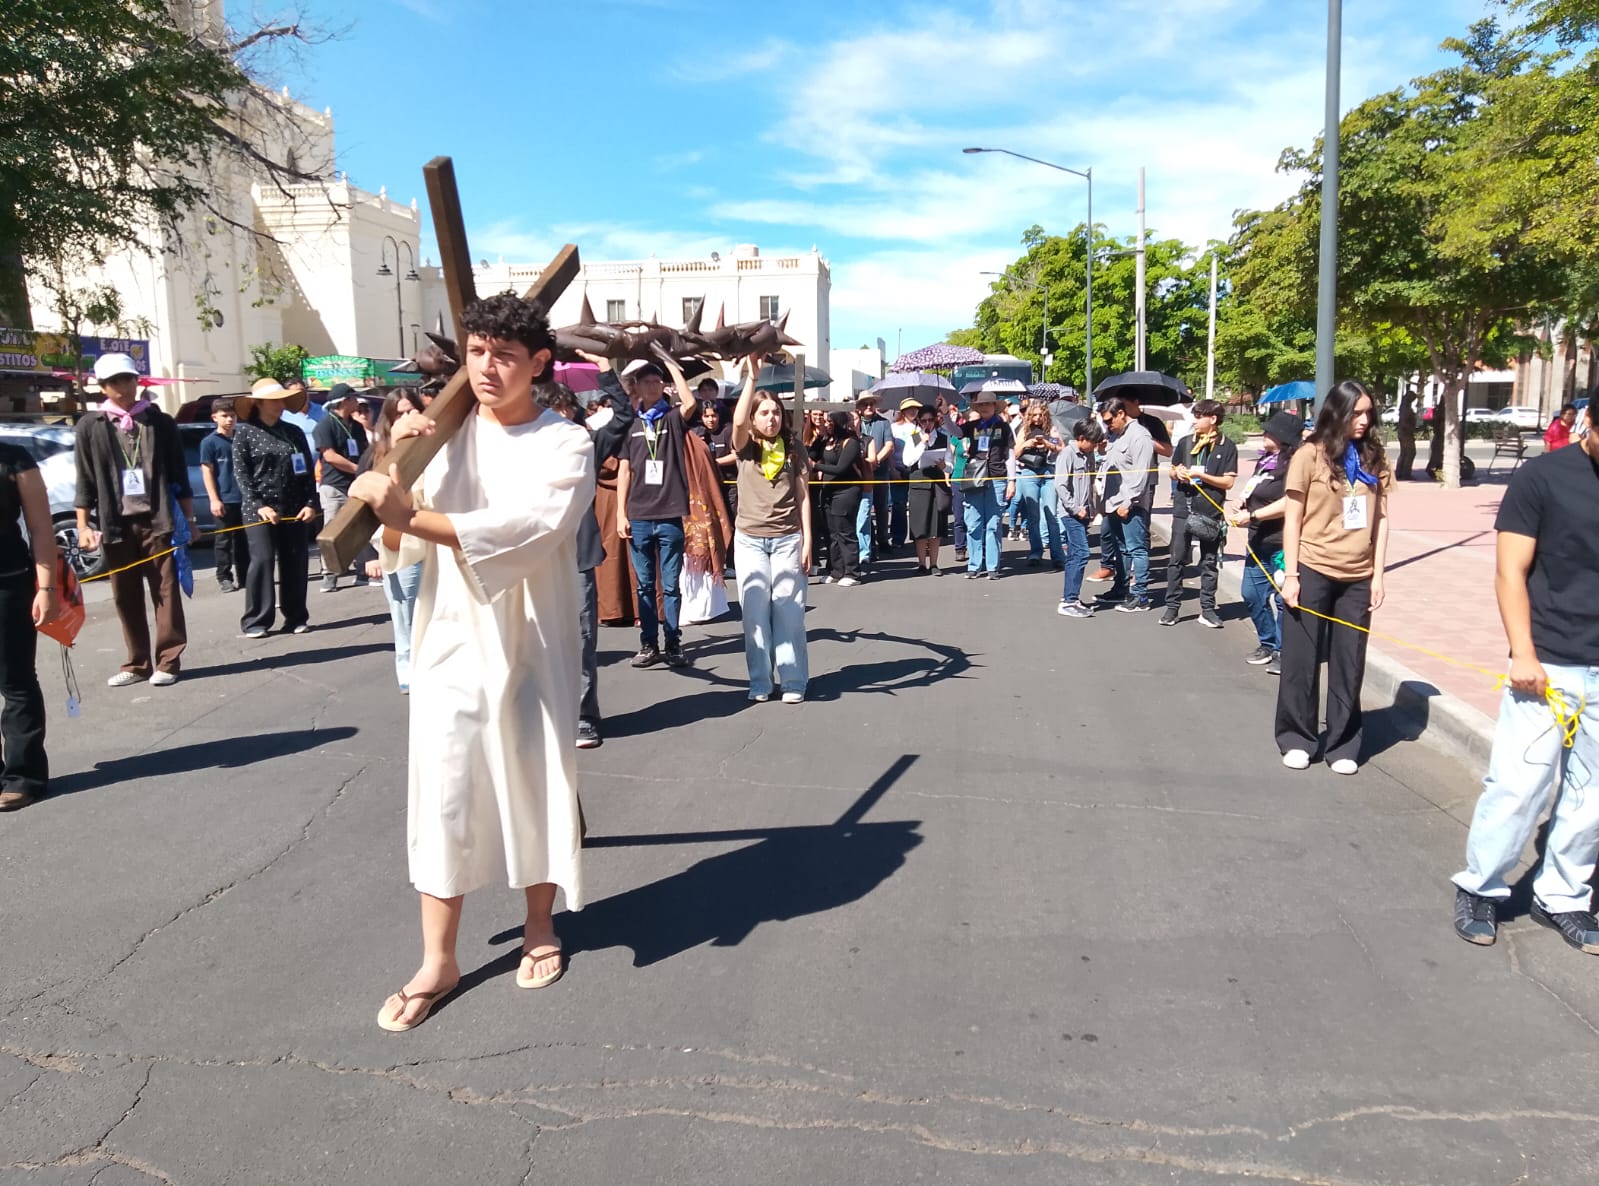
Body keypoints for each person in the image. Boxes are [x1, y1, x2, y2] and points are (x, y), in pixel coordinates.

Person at [353, 291, 594, 1032]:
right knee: (446, 789)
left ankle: (538, 924)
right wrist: (394, 458)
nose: (487, 368)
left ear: (539, 364)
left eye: (506, 355)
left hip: (533, 637)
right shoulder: (444, 434)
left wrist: (407, 514)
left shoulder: (566, 443)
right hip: (452, 637)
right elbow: (396, 534)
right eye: (478, 352)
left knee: (533, 777)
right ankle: (438, 957)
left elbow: (528, 527)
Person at [1452, 399, 1599, 954]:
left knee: (1592, 798)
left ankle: (1562, 896)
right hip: (1549, 660)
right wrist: (1523, 652)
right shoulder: (1542, 478)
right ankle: (1480, 886)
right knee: (1520, 785)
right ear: (1591, 425)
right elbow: (1510, 571)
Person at [1275, 380, 1391, 774]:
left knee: (1349, 662)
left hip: (1357, 575)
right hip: (1312, 567)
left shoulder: (1375, 456)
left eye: (1368, 413)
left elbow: (1383, 519)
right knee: (1301, 660)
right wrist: (1291, 574)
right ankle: (1298, 737)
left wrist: (1377, 575)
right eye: (1355, 413)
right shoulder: (1310, 455)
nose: (1363, 421)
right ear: (1335, 412)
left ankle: (1342, 742)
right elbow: (1292, 518)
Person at [74, 352, 194, 687]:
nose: (124, 387)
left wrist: (189, 519)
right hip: (116, 524)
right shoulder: (90, 426)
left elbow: (178, 474)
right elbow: (84, 480)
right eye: (115, 382)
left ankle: (168, 662)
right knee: (124, 594)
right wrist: (84, 526)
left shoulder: (160, 421)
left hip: (158, 520)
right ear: (103, 387)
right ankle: (137, 663)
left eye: (128, 379)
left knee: (165, 590)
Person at [729, 360, 810, 702]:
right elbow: (736, 421)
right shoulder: (745, 445)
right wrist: (752, 378)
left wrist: (807, 540)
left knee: (788, 610)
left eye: (775, 412)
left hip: (788, 538)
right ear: (754, 418)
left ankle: (792, 681)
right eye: (763, 413)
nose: (771, 418)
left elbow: (804, 495)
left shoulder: (794, 448)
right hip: (749, 540)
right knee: (755, 612)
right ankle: (761, 680)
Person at [615, 357, 698, 669]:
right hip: (638, 515)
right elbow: (624, 469)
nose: (652, 385)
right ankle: (649, 644)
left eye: (657, 381)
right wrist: (621, 513)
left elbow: (689, 402)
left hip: (670, 514)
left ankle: (673, 642)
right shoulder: (630, 423)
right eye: (646, 381)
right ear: (636, 386)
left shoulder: (673, 419)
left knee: (672, 585)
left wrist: (671, 366)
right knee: (644, 585)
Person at [570, 359, 635, 748]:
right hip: (533, 560)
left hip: (577, 557)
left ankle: (583, 717)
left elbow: (624, 415)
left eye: (569, 419)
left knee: (581, 640)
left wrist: (607, 372)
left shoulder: (587, 447)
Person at [233, 378, 318, 638]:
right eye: (274, 400)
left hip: (293, 506)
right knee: (263, 559)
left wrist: (310, 503)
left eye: (282, 399)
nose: (280, 404)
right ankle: (256, 620)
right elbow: (242, 474)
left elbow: (306, 472)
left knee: (295, 559)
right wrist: (259, 504)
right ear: (259, 403)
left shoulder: (293, 432)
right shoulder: (245, 432)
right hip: (259, 509)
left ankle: (295, 616)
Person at [0, 440, 58, 811]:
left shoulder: (14, 458)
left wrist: (47, 587)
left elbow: (40, 528)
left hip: (8, 581)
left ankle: (23, 777)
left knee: (15, 681)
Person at [361, 389, 427, 691]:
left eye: (410, 410)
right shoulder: (377, 454)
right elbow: (361, 509)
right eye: (398, 413)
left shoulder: (431, 446)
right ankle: (408, 670)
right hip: (395, 543)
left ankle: (427, 666)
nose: (406, 418)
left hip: (431, 539)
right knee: (403, 610)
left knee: (428, 610)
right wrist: (371, 556)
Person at [1228, 411, 1301, 675]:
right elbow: (1255, 489)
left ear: (1283, 437)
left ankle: (1284, 649)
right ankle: (1267, 642)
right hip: (1257, 539)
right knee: (1251, 593)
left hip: (1282, 543)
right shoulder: (1265, 462)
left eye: (1269, 431)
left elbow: (1290, 503)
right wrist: (1241, 501)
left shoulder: (1294, 465)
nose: (1264, 434)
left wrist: (1254, 515)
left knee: (1284, 599)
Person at [1162, 398, 1238, 628]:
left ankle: (1207, 608)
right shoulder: (1186, 443)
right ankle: (1172, 608)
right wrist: (1178, 473)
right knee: (1176, 560)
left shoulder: (1227, 446)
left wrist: (1203, 477)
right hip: (1183, 508)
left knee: (1209, 561)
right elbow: (1172, 470)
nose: (1194, 421)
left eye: (1199, 416)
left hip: (1209, 512)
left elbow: (1228, 482)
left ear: (1213, 419)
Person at [948, 387, 1016, 579]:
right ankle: (974, 565)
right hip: (974, 476)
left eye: (988, 404)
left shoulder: (1003, 427)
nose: (984, 407)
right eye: (981, 404)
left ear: (994, 406)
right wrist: (945, 414)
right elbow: (955, 432)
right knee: (973, 522)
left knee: (994, 524)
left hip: (997, 477)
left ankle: (993, 567)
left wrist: (1012, 481)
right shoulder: (973, 425)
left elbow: (1009, 453)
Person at [1098, 397, 1155, 612]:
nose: (1107, 425)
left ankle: (1140, 595)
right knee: (1121, 548)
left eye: (1110, 420)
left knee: (1136, 548)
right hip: (1114, 502)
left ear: (1121, 413)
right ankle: (1121, 589)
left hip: (1131, 504)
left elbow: (1141, 474)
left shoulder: (1140, 436)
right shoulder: (1115, 436)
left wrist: (1129, 502)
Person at [313, 383, 371, 592]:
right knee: (332, 529)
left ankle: (363, 570)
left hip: (355, 485)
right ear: (344, 401)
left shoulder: (355, 426)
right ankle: (329, 574)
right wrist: (358, 468)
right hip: (334, 486)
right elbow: (329, 455)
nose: (357, 402)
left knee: (360, 526)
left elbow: (365, 451)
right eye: (354, 398)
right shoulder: (325, 425)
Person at [199, 397, 249, 594]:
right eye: (225, 416)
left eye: (233, 416)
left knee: (244, 540)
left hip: (244, 498)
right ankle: (224, 576)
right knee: (224, 541)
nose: (230, 420)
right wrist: (214, 499)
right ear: (214, 418)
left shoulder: (241, 437)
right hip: (224, 499)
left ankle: (245, 576)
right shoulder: (210, 442)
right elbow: (207, 471)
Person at [1054, 417, 1102, 618]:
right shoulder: (1067, 454)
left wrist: (1091, 508)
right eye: (1093, 441)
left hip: (1084, 511)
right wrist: (1075, 508)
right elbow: (1061, 485)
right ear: (1081, 438)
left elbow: (1089, 484)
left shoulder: (1087, 455)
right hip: (1070, 513)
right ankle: (1069, 600)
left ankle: (1071, 596)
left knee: (1075, 554)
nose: (1095, 446)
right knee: (1082, 553)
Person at [1013, 402, 1065, 569]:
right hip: (1029, 472)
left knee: (1051, 514)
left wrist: (1048, 444)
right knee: (1033, 516)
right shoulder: (1024, 430)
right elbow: (1015, 453)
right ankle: (1035, 551)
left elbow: (1062, 449)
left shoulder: (1053, 429)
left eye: (1040, 415)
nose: (1037, 418)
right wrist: (1027, 444)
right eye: (1034, 415)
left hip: (1048, 472)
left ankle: (1057, 555)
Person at [903, 402, 951, 575]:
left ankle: (934, 563)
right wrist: (922, 445)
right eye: (924, 421)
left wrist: (945, 465)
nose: (927, 424)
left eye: (931, 420)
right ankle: (921, 563)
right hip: (919, 483)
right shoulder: (915, 437)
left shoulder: (943, 437)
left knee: (936, 526)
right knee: (920, 525)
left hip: (937, 483)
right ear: (919, 422)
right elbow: (907, 461)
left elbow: (950, 465)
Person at [817, 411, 865, 586]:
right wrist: (819, 435)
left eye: (830, 421)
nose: (827, 424)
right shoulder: (828, 440)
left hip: (846, 491)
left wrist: (815, 466)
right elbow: (813, 452)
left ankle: (853, 572)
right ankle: (836, 570)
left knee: (845, 530)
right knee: (832, 533)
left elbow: (840, 468)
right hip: (828, 491)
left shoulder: (851, 442)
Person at [855, 393, 894, 565]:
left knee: (881, 506)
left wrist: (876, 459)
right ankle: (868, 545)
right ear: (860, 407)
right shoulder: (856, 423)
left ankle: (883, 539)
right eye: (865, 404)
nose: (869, 407)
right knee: (864, 511)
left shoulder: (883, 422)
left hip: (880, 470)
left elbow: (889, 445)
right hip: (860, 473)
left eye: (871, 404)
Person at [803, 408, 832, 577]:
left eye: (821, 414)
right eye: (815, 414)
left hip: (820, 480)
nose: (818, 418)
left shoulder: (826, 435)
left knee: (822, 522)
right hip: (805, 482)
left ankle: (825, 561)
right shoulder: (804, 434)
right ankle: (811, 559)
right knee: (809, 523)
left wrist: (816, 463)